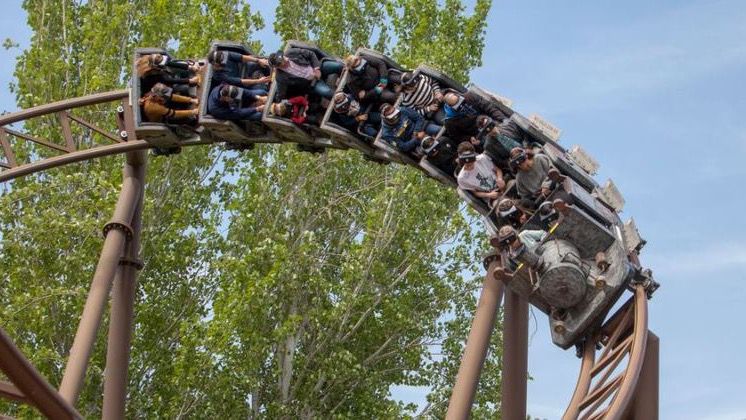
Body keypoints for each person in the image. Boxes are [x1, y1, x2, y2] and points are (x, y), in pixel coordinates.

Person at [268, 49, 342, 99]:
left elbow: (310, 53)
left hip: (318, 67)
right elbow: (281, 94)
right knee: (327, 93)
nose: (283, 60)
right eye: (280, 63)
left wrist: (317, 69)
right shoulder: (280, 77)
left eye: (282, 58)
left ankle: (352, 73)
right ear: (277, 66)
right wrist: (274, 98)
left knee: (338, 66)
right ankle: (344, 98)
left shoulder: (290, 52)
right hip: (313, 83)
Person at [443, 90, 511, 143]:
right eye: (457, 105)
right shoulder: (449, 122)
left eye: (460, 101)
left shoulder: (470, 96)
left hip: (491, 122)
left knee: (506, 130)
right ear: (450, 106)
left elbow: (488, 107)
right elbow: (457, 137)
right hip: (479, 135)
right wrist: (469, 139)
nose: (461, 105)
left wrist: (503, 119)